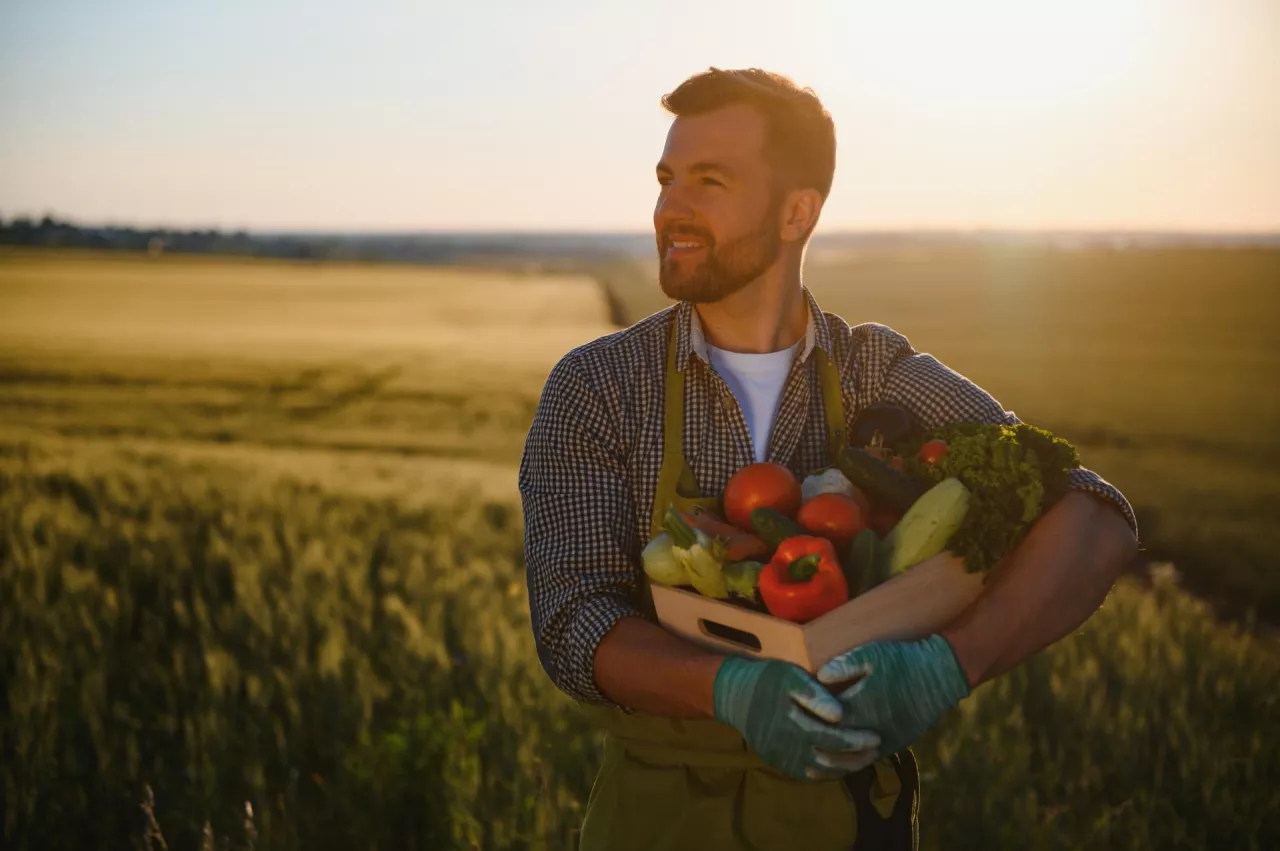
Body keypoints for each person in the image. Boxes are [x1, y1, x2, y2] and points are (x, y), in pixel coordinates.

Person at [518, 67, 1140, 851]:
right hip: (657, 817)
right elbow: (573, 620)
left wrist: (948, 667)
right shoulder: (601, 386)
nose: (671, 206)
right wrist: (731, 689)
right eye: (667, 178)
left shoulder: (878, 373)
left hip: (848, 819)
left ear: (796, 211)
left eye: (709, 181)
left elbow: (1094, 517)